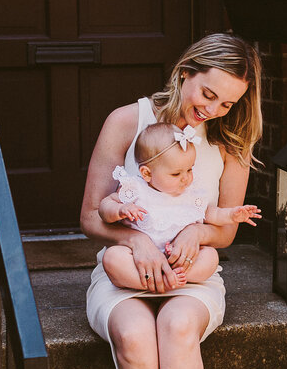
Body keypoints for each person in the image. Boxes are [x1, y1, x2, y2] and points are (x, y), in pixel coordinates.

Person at [82, 33, 262, 369]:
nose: (212, 110)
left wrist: (196, 230)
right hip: (127, 273)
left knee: (177, 325)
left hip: (189, 273)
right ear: (185, 74)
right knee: (134, 335)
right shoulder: (127, 120)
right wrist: (136, 241)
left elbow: (225, 230)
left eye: (227, 104)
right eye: (208, 93)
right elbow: (92, 215)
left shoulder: (230, 144)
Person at [97, 121, 261, 289]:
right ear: (147, 173)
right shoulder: (135, 189)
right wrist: (119, 210)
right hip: (139, 259)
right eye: (176, 173)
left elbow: (211, 213)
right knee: (112, 258)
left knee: (210, 257)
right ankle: (150, 281)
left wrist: (232, 215)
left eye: (189, 169)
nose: (186, 178)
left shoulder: (190, 194)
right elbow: (104, 208)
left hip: (179, 260)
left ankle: (175, 277)